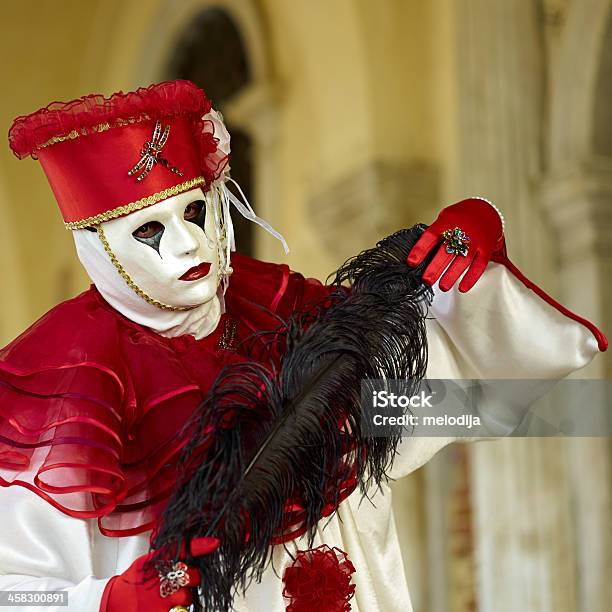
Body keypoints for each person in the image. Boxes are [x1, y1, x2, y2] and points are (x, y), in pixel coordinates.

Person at [0, 80, 606, 612]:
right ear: (98, 248)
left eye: (194, 212)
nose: (188, 246)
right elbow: (13, 589)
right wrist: (107, 602)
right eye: (150, 231)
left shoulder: (286, 316)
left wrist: (467, 281)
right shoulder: (72, 377)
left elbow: (456, 403)